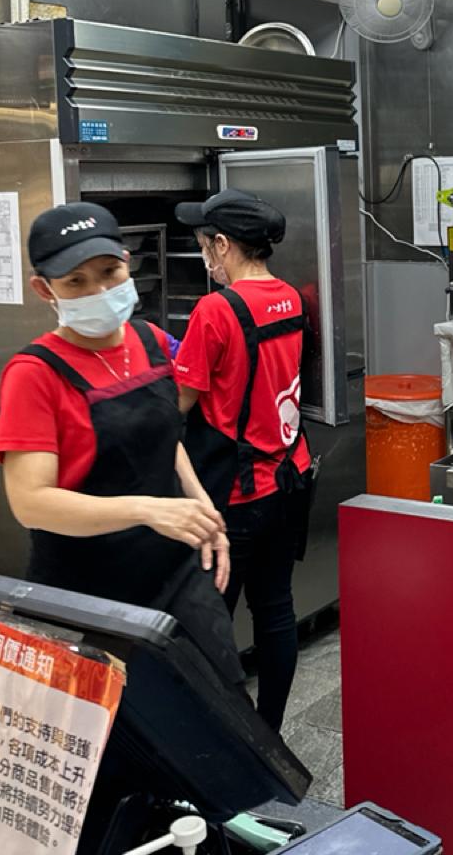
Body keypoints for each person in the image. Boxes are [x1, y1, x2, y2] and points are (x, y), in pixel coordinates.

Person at [0, 203, 242, 687]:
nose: (99, 291)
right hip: (87, 593)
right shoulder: (34, 374)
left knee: (221, 707)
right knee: (119, 727)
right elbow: (30, 502)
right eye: (76, 282)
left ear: (127, 263)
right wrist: (147, 509)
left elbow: (162, 438)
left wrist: (204, 512)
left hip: (176, 575)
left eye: (109, 272)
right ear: (44, 289)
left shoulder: (150, 341)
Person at [173, 188, 312, 732]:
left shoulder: (216, 309)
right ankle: (267, 734)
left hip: (236, 494)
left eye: (204, 243)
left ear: (224, 245)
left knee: (210, 625)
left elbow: (181, 402)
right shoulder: (291, 298)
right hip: (289, 480)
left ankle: (223, 740)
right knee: (275, 610)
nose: (204, 253)